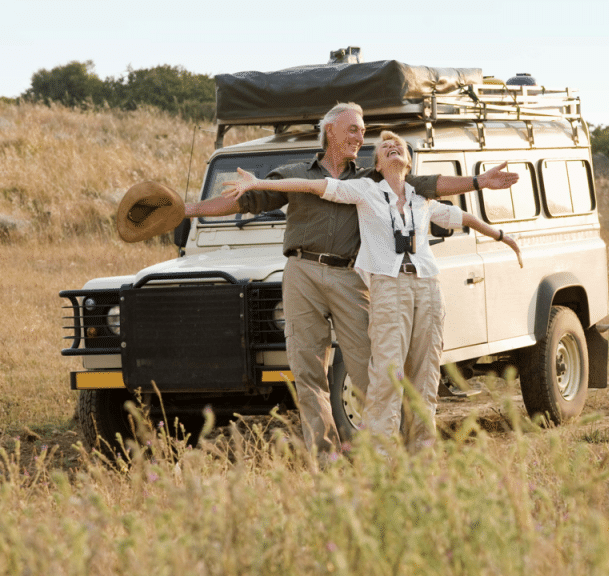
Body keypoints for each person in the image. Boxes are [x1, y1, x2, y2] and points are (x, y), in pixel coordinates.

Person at [183, 102, 519, 457]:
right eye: (354, 129)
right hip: (302, 272)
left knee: (371, 371)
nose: (361, 137)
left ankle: (399, 451)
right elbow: (244, 201)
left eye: (362, 131)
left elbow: (424, 185)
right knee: (308, 373)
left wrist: (479, 181)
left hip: (349, 276)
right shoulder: (295, 172)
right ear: (330, 131)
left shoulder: (370, 180)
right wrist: (189, 210)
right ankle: (327, 457)